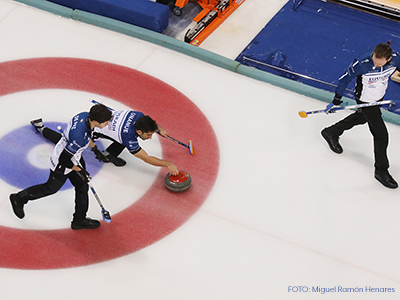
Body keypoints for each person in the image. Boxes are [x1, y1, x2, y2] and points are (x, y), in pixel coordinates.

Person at [9, 104, 113, 229]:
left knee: (82, 186)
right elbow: (64, 160)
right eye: (105, 123)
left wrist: (94, 149)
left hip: (74, 155)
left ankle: (79, 220)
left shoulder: (84, 115)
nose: (107, 125)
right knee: (51, 188)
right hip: (62, 162)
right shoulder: (79, 138)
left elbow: (87, 136)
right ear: (96, 121)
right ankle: (19, 198)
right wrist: (80, 170)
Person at [321, 42, 400, 189]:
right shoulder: (362, 63)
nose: (375, 66)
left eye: (379, 64)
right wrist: (336, 101)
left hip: (379, 97)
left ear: (388, 59)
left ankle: (331, 132)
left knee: (362, 117)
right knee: (381, 134)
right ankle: (381, 170)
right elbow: (344, 79)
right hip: (365, 100)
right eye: (374, 62)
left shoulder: (396, 58)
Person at [91, 109, 179, 176]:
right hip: (92, 132)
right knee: (124, 141)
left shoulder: (139, 116)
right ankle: (106, 156)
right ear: (139, 132)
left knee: (121, 139)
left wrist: (160, 129)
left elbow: (150, 122)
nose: (150, 137)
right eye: (149, 135)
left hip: (110, 125)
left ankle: (109, 152)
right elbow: (146, 158)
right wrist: (168, 164)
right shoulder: (128, 137)